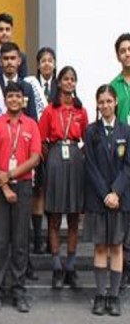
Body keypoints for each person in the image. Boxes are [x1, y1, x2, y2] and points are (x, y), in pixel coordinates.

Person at [0, 81, 41, 313]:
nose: (14, 100)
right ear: (5, 100)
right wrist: (4, 183)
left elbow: (35, 158)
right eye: (10, 97)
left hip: (23, 187)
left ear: (23, 100)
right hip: (0, 189)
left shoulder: (31, 125)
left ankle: (19, 292)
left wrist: (10, 175)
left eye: (18, 96)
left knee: (20, 242)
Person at [39, 66, 88, 289]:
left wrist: (79, 157)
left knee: (74, 216)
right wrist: (52, 159)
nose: (69, 82)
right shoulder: (50, 110)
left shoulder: (81, 111)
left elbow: (87, 138)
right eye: (65, 79)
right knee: (55, 216)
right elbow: (41, 140)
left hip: (75, 159)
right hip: (56, 157)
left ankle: (71, 266)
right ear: (59, 83)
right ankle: (57, 267)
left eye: (72, 79)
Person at [84, 85, 128, 316]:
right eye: (101, 102)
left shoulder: (126, 131)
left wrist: (116, 192)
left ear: (116, 102)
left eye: (109, 101)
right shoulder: (91, 131)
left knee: (117, 247)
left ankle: (114, 296)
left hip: (120, 199)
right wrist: (105, 194)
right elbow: (90, 166)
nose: (105, 105)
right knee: (100, 246)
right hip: (98, 200)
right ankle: (100, 295)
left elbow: (128, 166)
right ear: (97, 105)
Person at [32, 47, 57, 254]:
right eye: (43, 61)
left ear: (54, 64)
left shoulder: (62, 86)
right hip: (35, 146)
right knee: (38, 191)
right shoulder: (30, 86)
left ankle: (52, 239)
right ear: (38, 65)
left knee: (52, 192)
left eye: (50, 60)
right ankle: (38, 239)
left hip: (55, 148)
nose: (47, 64)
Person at [110, 33, 130, 287]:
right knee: (126, 212)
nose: (127, 53)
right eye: (123, 50)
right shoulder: (113, 86)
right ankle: (124, 266)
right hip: (124, 155)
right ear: (118, 56)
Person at [0, 13, 29, 81]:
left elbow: (23, 81)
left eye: (7, 29)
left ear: (12, 31)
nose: (4, 33)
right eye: (1, 30)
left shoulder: (21, 56)